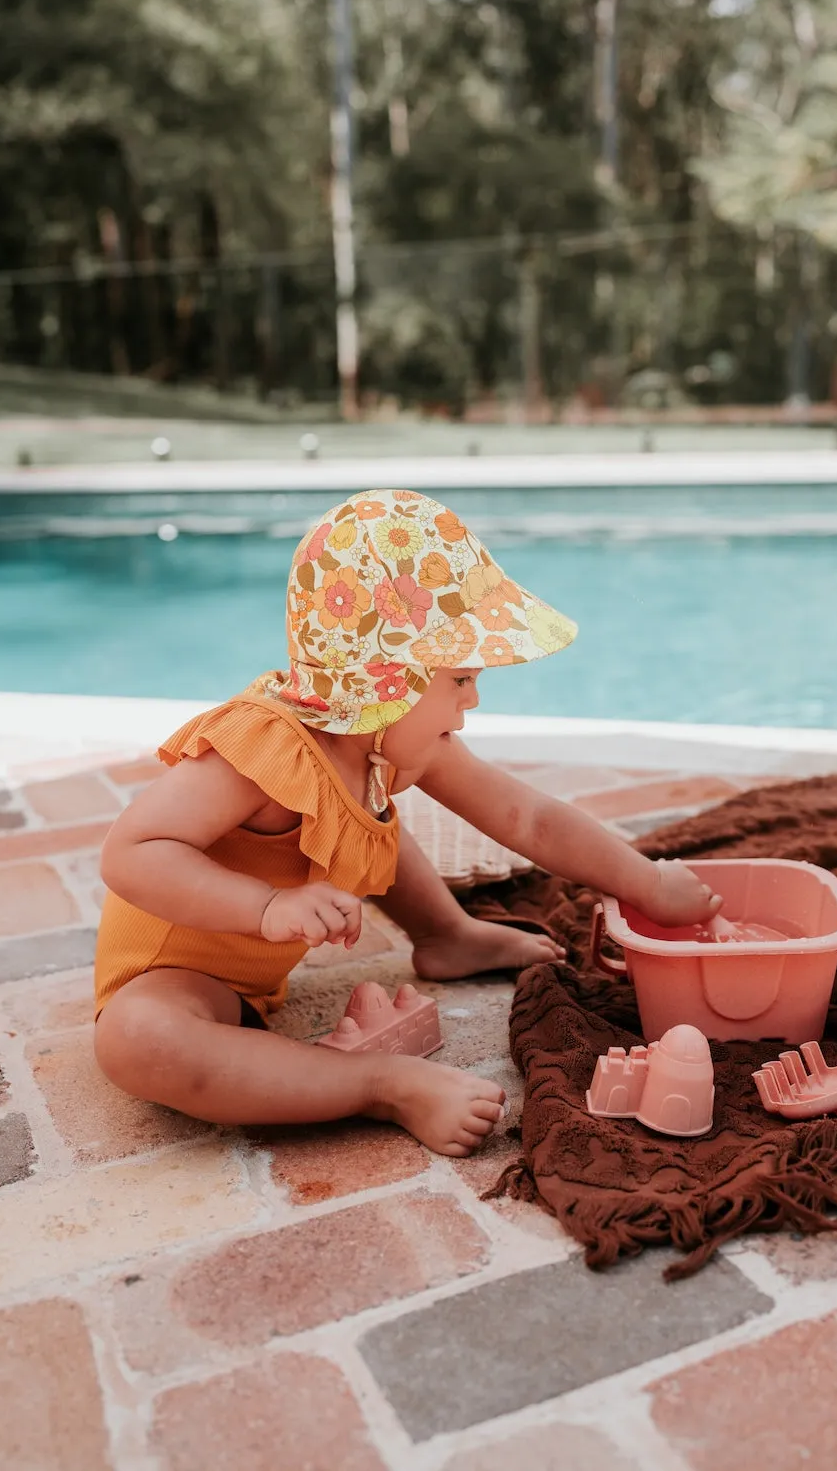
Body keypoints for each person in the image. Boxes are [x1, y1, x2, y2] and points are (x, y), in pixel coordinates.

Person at [94, 490, 722, 1157]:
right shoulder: (259, 754)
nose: (473, 698)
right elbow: (132, 852)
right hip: (179, 976)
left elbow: (529, 818)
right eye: (460, 679)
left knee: (364, 819)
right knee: (138, 1042)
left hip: (250, 971)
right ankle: (379, 1085)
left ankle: (447, 935)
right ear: (385, 679)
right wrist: (269, 904)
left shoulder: (384, 744)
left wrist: (646, 884)